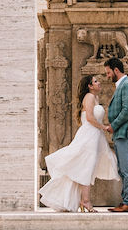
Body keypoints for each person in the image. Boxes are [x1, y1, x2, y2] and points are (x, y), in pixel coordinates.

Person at [38, 73, 117, 212]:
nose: (99, 83)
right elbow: (91, 118)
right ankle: (85, 201)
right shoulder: (90, 97)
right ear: (90, 86)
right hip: (89, 136)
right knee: (86, 167)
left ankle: (84, 200)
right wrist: (104, 127)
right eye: (96, 81)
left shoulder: (95, 97)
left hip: (94, 136)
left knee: (87, 167)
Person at [104, 57, 128, 212]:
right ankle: (126, 200)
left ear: (116, 70)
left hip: (125, 133)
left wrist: (113, 125)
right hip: (120, 134)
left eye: (108, 72)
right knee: (123, 168)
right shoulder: (121, 86)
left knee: (126, 168)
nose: (107, 76)